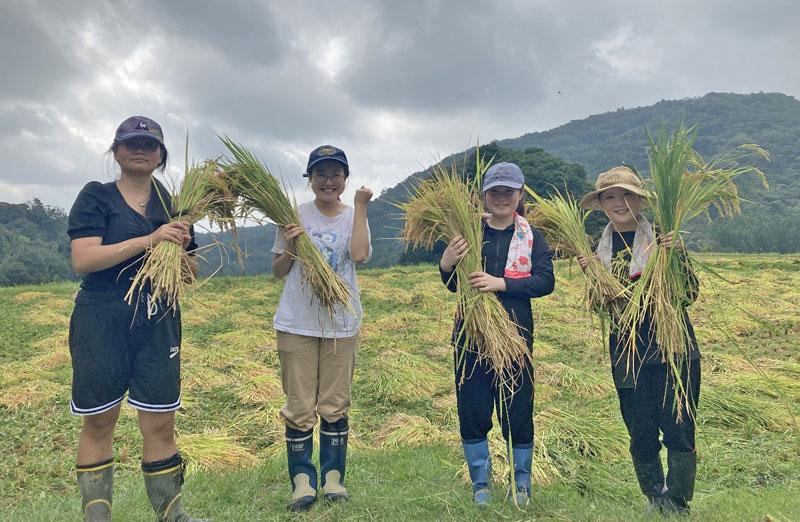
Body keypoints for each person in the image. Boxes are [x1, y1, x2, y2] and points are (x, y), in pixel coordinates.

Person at [68, 116, 205, 522]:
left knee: (161, 424)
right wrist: (149, 240)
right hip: (102, 320)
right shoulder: (97, 197)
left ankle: (172, 515)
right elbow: (84, 259)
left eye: (149, 143)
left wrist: (178, 251)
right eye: (131, 143)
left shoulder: (174, 207)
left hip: (158, 320)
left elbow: (190, 275)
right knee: (99, 423)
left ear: (161, 154)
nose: (140, 149)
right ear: (116, 151)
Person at [577, 165, 701, 516]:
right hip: (628, 351)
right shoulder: (595, 249)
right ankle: (654, 495)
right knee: (640, 429)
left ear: (640, 200)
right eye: (611, 196)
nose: (620, 202)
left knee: (678, 425)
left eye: (627, 194)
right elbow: (601, 306)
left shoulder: (663, 238)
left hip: (674, 345)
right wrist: (593, 279)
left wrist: (677, 254)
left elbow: (689, 293)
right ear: (601, 203)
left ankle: (677, 501)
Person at [438, 162, 555, 507]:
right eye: (495, 192)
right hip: (471, 336)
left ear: (520, 195)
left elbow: (545, 281)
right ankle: (480, 483)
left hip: (516, 337)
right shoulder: (468, 233)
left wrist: (500, 283)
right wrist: (446, 263)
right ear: (484, 197)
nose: (502, 198)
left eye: (509, 191)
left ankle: (521, 483)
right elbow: (453, 285)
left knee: (518, 409)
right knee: (472, 408)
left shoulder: (533, 236)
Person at [271, 145, 373, 512]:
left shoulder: (352, 216)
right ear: (310, 180)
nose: (328, 182)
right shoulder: (294, 215)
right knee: (299, 405)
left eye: (335, 175)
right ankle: (302, 480)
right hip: (297, 323)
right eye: (320, 175)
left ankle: (333, 477)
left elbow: (359, 255)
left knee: (334, 403)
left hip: (341, 325)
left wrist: (361, 208)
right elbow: (278, 271)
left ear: (345, 179)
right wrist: (292, 246)